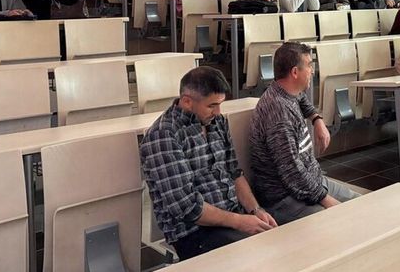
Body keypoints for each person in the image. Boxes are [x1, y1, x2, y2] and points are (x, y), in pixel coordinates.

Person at [140, 66, 276, 260]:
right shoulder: (164, 135)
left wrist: (255, 210)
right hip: (194, 233)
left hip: (231, 218)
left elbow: (234, 172)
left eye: (220, 104)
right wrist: (240, 222)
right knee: (260, 256)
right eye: (212, 105)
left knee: (278, 243)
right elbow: (188, 208)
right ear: (187, 101)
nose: (218, 112)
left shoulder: (216, 121)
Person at [249, 43, 357, 224]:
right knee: (341, 221)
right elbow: (291, 171)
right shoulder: (279, 113)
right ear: (294, 72)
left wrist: (316, 119)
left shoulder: (286, 90)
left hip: (311, 183)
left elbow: (301, 98)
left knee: (362, 205)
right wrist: (326, 199)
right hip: (284, 197)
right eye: (309, 65)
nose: (312, 71)